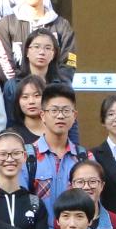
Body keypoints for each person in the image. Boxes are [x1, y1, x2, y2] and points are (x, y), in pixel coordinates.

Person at [0, 0, 78, 84]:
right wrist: (24, 88)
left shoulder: (62, 26)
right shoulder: (6, 24)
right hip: (17, 92)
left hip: (52, 91)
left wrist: (54, 87)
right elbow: (4, 63)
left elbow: (69, 62)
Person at [28, 83, 91, 221]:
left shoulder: (85, 158)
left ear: (74, 115)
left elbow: (93, 202)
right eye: (54, 110)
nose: (60, 116)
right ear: (43, 115)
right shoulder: (26, 156)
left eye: (66, 110)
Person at [65, 160, 116, 229]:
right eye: (80, 182)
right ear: (71, 186)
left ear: (102, 185)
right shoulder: (61, 223)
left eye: (93, 181)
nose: (86, 187)